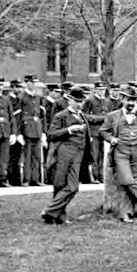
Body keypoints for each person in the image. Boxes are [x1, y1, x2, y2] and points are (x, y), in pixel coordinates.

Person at [95, 92, 137, 219]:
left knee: (136, 180)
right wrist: (112, 139)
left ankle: (129, 212)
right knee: (126, 180)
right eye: (129, 100)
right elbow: (102, 131)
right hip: (121, 151)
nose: (131, 103)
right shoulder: (113, 116)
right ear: (123, 100)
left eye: (134, 100)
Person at [42, 88, 92, 224]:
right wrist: (70, 130)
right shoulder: (61, 115)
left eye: (82, 102)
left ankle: (49, 211)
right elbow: (51, 133)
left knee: (73, 187)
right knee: (60, 184)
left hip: (78, 154)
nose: (80, 104)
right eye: (77, 101)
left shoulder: (82, 116)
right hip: (64, 153)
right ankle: (58, 216)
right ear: (69, 100)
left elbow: (95, 119)